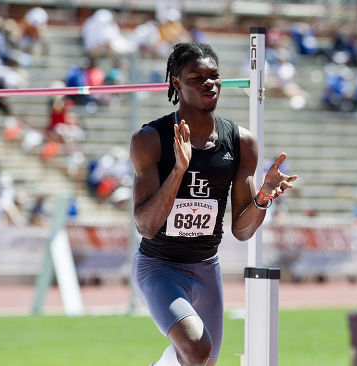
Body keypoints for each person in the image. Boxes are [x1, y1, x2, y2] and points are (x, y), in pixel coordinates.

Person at [130, 42, 297, 366]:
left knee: (200, 361)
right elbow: (146, 226)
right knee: (196, 347)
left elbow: (243, 231)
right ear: (177, 82)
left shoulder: (241, 142)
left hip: (207, 268)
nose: (210, 83)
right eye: (197, 77)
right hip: (160, 267)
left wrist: (263, 196)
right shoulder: (150, 139)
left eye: (215, 76)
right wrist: (179, 169)